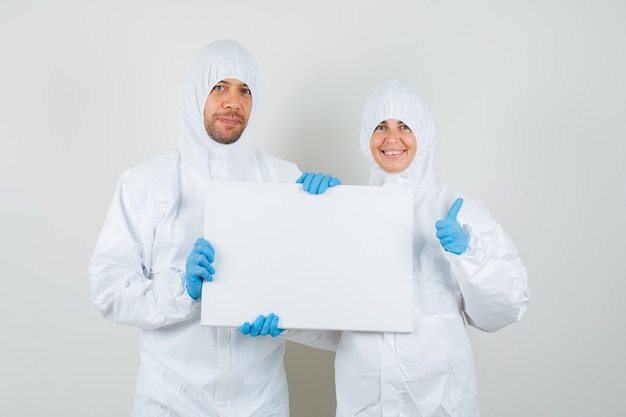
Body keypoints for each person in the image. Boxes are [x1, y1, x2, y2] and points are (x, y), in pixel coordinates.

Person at [89, 39, 340, 417]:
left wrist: (336, 214)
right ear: (196, 94)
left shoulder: (285, 180)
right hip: (169, 400)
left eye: (245, 90)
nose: (232, 102)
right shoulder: (146, 182)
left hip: (259, 401)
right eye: (219, 87)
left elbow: (324, 292)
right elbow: (108, 289)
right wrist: (183, 290)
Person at [333, 80, 530, 417]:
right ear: (366, 137)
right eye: (380, 126)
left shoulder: (455, 206)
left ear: (423, 134)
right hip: (365, 400)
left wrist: (469, 255)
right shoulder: (348, 211)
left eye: (404, 126)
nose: (392, 138)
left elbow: (505, 308)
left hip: (441, 401)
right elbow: (330, 312)